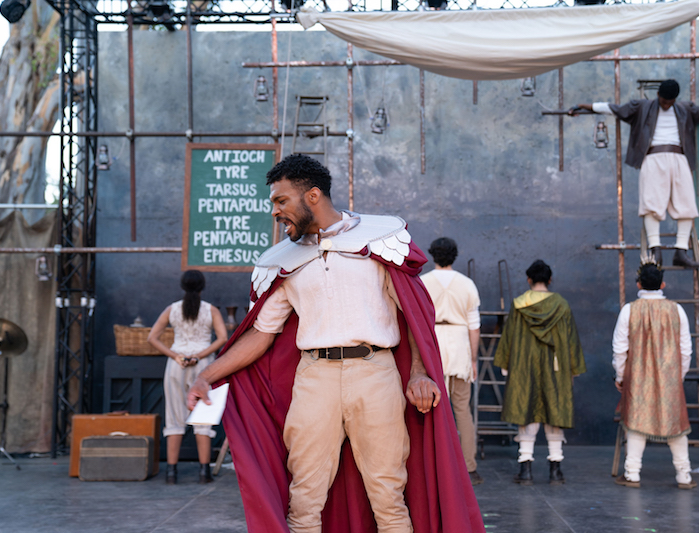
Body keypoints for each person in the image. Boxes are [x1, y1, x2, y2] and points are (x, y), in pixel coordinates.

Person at [187, 155, 485, 533]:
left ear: (312, 196)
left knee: (389, 496)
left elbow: (412, 315)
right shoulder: (283, 262)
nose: (276, 212)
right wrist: (205, 377)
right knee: (305, 499)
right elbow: (260, 334)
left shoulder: (378, 242)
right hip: (314, 378)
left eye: (281, 201)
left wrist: (419, 374)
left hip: (376, 373)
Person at [573, 80, 699, 268]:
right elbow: (615, 109)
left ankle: (680, 251)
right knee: (651, 204)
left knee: (687, 204)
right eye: (664, 100)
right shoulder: (642, 107)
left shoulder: (684, 109)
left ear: (675, 99)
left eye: (670, 101)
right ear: (658, 95)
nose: (667, 104)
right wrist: (586, 106)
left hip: (679, 158)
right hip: (653, 158)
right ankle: (655, 249)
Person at [494, 259, 585, 486]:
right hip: (556, 368)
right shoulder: (561, 305)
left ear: (529, 280)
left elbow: (509, 337)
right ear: (550, 280)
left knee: (527, 411)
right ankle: (555, 470)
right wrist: (573, 368)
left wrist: (506, 363)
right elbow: (571, 338)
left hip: (525, 367)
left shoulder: (518, 304)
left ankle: (525, 470)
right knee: (554, 413)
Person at [611, 259, 695, 489]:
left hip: (636, 377)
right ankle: (684, 475)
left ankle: (632, 474)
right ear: (663, 284)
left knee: (636, 421)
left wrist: (621, 376)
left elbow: (620, 349)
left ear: (638, 284)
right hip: (670, 378)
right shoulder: (677, 310)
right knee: (675, 425)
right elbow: (685, 350)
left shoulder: (629, 310)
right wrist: (677, 378)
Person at [148, 270, 228, 485]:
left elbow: (152, 337)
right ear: (202, 287)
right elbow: (222, 338)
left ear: (182, 287)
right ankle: (204, 473)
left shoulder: (171, 309)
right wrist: (199, 355)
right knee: (203, 418)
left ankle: (171, 473)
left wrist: (177, 355)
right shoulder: (211, 310)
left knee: (174, 417)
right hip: (203, 365)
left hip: (176, 365)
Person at [420, 237, 483, 485]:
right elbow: (474, 326)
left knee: (429, 411)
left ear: (432, 255)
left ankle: (433, 467)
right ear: (454, 256)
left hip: (433, 345)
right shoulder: (467, 284)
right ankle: (469, 467)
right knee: (462, 411)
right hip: (459, 348)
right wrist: (474, 359)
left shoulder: (422, 283)